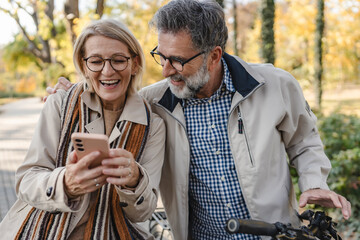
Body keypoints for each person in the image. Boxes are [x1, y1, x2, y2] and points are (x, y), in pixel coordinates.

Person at [45, 0, 352, 239]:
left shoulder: (276, 85)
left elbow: (304, 142)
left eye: (177, 60)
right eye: (161, 56)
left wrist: (313, 182)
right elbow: (105, 89)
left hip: (272, 234)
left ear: (214, 55)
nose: (166, 70)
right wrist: (71, 93)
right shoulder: (153, 102)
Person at [0, 19, 165, 240]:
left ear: (135, 63)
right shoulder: (60, 104)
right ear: (84, 64)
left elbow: (142, 213)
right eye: (96, 61)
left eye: (118, 60)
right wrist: (65, 184)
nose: (107, 71)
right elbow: (26, 181)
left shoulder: (153, 126)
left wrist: (134, 180)